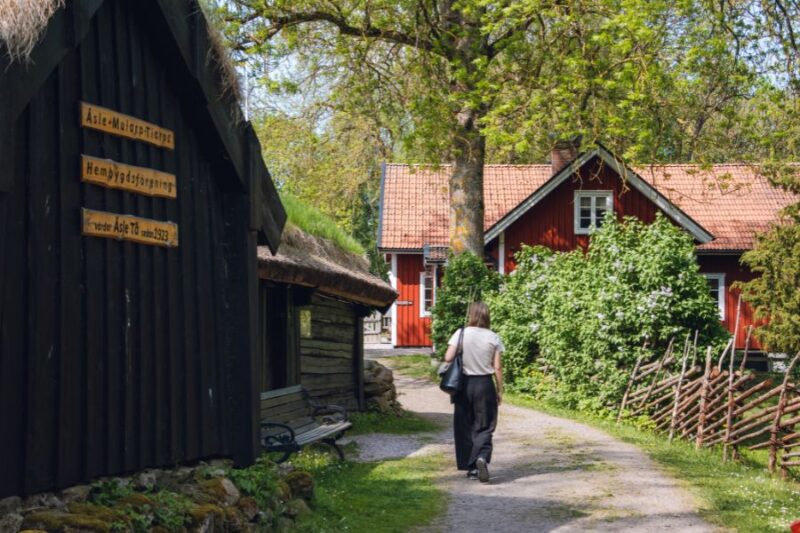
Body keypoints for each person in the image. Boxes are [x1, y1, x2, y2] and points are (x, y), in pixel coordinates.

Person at [444, 301, 504, 483]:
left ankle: (470, 468)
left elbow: (448, 357)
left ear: (471, 315)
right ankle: (481, 457)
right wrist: (499, 390)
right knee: (484, 425)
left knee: (464, 426)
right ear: (487, 316)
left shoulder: (460, 333)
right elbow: (497, 367)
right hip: (485, 384)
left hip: (463, 385)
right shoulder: (494, 337)